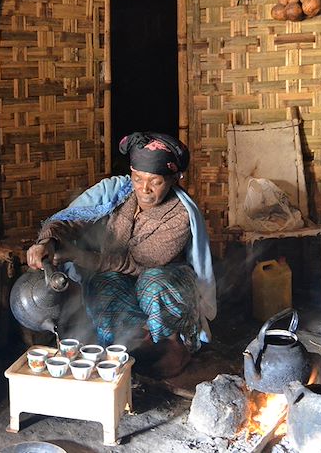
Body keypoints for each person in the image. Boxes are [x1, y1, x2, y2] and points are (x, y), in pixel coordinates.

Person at [26, 132, 216, 377]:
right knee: (101, 285)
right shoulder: (118, 192)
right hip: (119, 275)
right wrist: (47, 241)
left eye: (155, 181)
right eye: (138, 178)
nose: (144, 189)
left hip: (165, 281)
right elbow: (69, 219)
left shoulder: (179, 215)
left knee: (153, 284)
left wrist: (78, 256)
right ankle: (132, 346)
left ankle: (175, 343)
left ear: (173, 179)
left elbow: (139, 265)